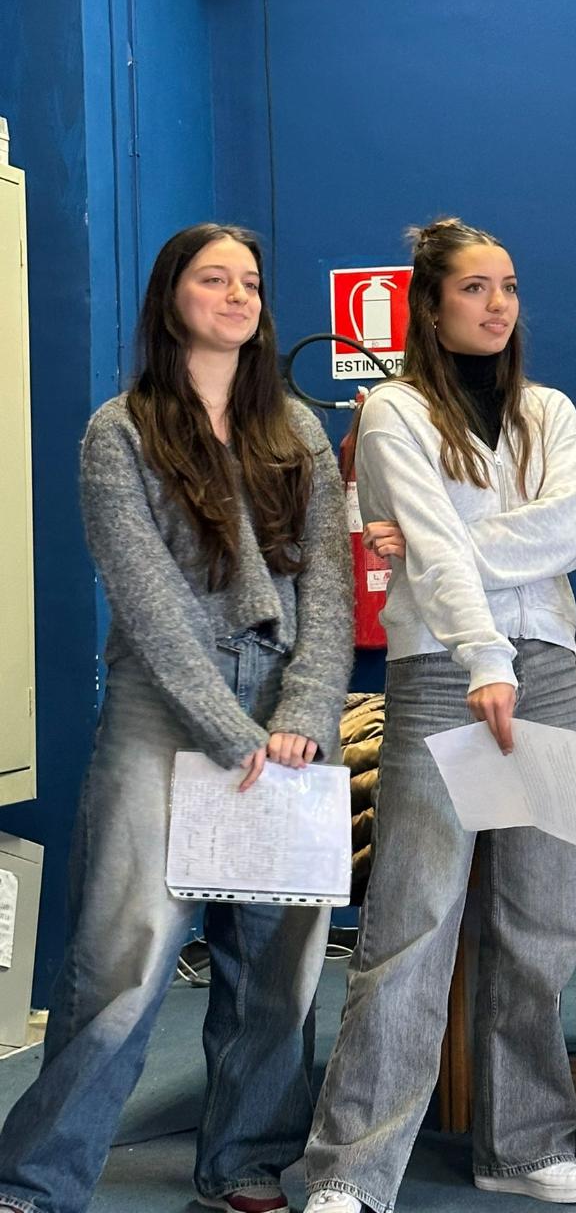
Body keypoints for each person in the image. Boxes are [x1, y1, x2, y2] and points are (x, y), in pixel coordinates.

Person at [0, 224, 353, 1213]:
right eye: (213, 278)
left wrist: (307, 707)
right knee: (124, 959)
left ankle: (244, 1163)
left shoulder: (297, 433)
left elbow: (330, 585)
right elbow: (146, 597)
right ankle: (36, 1179)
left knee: (279, 966)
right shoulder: (119, 431)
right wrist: (230, 732)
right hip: (163, 711)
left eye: (250, 282)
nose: (238, 295)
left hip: (289, 710)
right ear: (171, 298)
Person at [303, 217, 576, 1213]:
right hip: (443, 672)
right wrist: (481, 652)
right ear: (430, 308)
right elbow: (427, 546)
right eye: (475, 288)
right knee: (413, 923)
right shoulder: (394, 409)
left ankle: (523, 1147)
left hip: (546, 670)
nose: (498, 304)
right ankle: (349, 1169)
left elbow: (562, 534)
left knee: (543, 921)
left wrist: (447, 537)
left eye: (508, 286)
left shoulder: (550, 411)